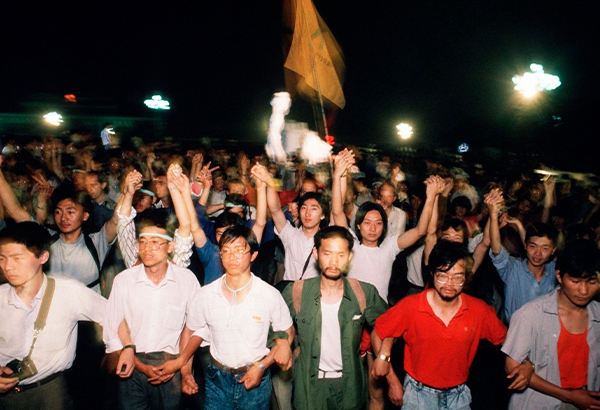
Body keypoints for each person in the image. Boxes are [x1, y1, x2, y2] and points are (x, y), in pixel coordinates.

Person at [371, 241, 509, 409]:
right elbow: (379, 332)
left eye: (457, 277)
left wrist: (526, 364)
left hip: (459, 398)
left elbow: (508, 341)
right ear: (432, 274)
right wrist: (392, 381)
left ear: (466, 277)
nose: (450, 284)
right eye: (442, 276)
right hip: (417, 395)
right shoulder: (411, 306)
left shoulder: (479, 310)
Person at [184, 226, 294, 410]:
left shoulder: (269, 295)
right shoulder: (205, 295)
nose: (231, 257)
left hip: (255, 378)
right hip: (216, 378)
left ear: (253, 255)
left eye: (239, 251)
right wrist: (186, 372)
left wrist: (263, 365)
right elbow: (190, 332)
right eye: (225, 251)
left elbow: (287, 332)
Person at [0, 222, 106, 409]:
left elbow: (115, 316)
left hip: (50, 392)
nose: (8, 266)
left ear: (43, 257)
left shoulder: (69, 292)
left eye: (17, 258)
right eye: (2, 258)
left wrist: (121, 348)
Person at [103, 209, 202, 410]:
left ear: (170, 247)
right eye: (143, 241)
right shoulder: (125, 280)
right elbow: (113, 322)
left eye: (156, 242)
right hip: (132, 362)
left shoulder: (186, 280)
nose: (148, 248)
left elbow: (197, 328)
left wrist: (184, 371)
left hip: (171, 366)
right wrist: (135, 359)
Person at [282, 226, 388, 410]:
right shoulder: (296, 292)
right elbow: (276, 327)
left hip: (349, 387)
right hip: (310, 389)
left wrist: (383, 356)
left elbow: (389, 325)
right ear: (316, 253)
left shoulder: (363, 292)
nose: (333, 261)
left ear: (349, 257)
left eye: (340, 255)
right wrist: (283, 344)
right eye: (327, 253)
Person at [503, 240, 600, 409]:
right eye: (576, 281)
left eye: (591, 282)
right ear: (559, 276)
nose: (583, 291)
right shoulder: (531, 314)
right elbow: (512, 366)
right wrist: (569, 397)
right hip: (541, 403)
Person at [488, 189, 559, 322]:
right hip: (517, 335)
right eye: (533, 247)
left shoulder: (555, 272)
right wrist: (493, 215)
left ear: (553, 250)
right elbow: (497, 250)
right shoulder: (513, 269)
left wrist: (520, 227)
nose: (538, 253)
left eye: (545, 248)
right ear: (525, 246)